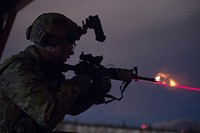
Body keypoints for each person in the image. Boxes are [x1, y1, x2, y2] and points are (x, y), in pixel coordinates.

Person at [0, 13, 112, 133]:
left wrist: (94, 92)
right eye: (71, 45)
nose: (72, 52)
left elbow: (70, 107)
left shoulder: (47, 70)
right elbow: (48, 115)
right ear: (53, 43)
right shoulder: (19, 69)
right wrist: (75, 85)